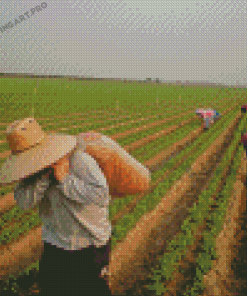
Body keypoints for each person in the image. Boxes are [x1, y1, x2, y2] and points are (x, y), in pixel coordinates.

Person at [0, 117, 151, 296]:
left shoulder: (79, 160)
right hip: (54, 242)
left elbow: (100, 195)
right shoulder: (29, 171)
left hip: (89, 245)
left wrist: (65, 179)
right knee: (50, 288)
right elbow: (24, 202)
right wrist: (43, 178)